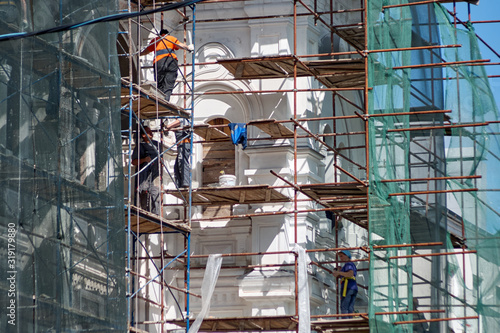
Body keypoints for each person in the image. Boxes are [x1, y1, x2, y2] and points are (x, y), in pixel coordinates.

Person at [140, 29, 193, 101]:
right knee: (169, 82)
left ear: (161, 34)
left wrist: (138, 54)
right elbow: (180, 45)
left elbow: (146, 51)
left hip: (159, 61)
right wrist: (188, 47)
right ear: (167, 34)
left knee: (160, 83)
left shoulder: (155, 40)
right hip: (171, 61)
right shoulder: (171, 38)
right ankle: (166, 100)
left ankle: (160, 100)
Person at [131, 126, 162, 215]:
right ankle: (144, 216)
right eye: (148, 131)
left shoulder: (157, 145)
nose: (151, 132)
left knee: (155, 196)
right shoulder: (140, 146)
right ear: (143, 135)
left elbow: (162, 162)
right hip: (143, 176)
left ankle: (156, 216)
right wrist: (144, 160)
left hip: (155, 175)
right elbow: (134, 162)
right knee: (143, 195)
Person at [165, 118, 190, 188]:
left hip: (184, 144)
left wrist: (168, 126)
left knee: (182, 162)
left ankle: (186, 183)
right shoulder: (181, 121)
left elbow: (179, 121)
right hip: (181, 145)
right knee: (177, 165)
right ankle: (180, 184)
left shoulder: (183, 118)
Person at [333, 249, 358, 318]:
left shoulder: (348, 264)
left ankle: (346, 321)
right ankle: (350, 320)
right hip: (353, 287)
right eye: (340, 256)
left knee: (344, 306)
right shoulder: (350, 264)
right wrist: (340, 271)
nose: (341, 258)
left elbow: (350, 274)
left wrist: (339, 272)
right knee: (350, 307)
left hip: (347, 287)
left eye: (342, 256)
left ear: (347, 256)